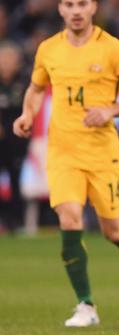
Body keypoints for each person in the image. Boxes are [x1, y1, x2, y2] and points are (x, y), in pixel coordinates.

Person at [13, 0, 119, 327]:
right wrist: (28, 113)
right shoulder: (48, 49)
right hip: (62, 150)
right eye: (68, 4)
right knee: (70, 217)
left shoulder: (113, 49)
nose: (76, 10)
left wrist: (111, 110)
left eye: (82, 3)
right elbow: (36, 89)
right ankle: (86, 305)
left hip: (101, 152)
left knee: (112, 230)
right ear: (61, 10)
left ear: (93, 7)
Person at [0, 42, 29, 233]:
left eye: (11, 59)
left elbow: (31, 107)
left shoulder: (24, 82)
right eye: (4, 59)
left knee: (16, 180)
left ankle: (16, 222)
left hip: (18, 140)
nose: (7, 63)